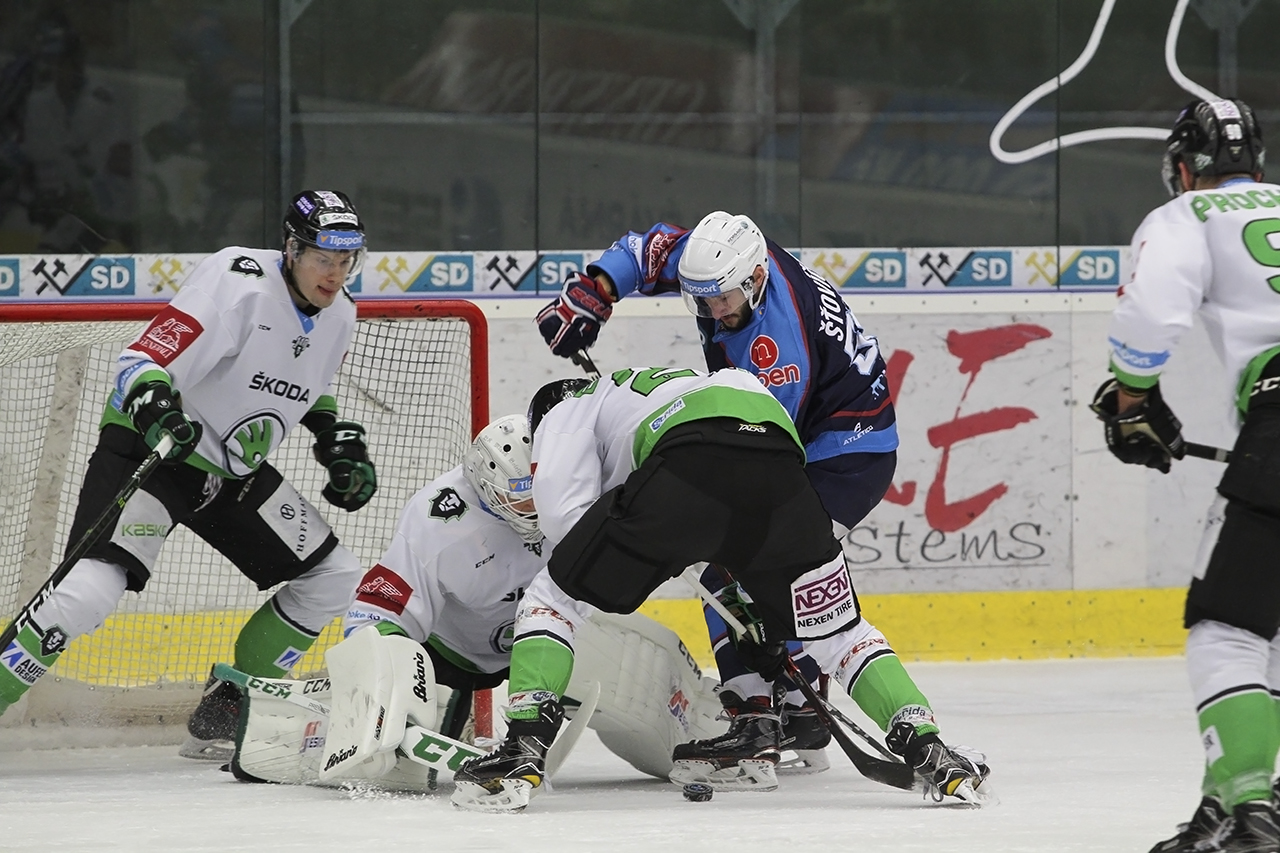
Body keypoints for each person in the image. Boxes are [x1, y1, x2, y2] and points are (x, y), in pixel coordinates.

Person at [450, 369, 991, 813]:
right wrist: (760, 605)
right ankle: (929, 746)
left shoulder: (564, 409)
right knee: (841, 634)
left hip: (688, 463)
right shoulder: (679, 383)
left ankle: (523, 746)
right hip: (780, 468)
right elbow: (741, 497)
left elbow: (567, 521)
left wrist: (640, 554)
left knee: (553, 598)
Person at [533, 211, 916, 787]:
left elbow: (762, 463)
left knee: (741, 556)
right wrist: (597, 291)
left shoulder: (776, 348)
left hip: (844, 457)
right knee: (745, 563)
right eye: (703, 300)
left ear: (756, 278)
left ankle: (757, 718)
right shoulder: (727, 256)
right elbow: (648, 250)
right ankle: (799, 713)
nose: (715, 311)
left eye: (724, 300)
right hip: (831, 436)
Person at [0, 190, 378, 764]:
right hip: (156, 453)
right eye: (324, 258)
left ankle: (225, 711)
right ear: (292, 249)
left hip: (232, 471)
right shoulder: (237, 282)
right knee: (86, 595)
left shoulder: (341, 313)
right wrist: (158, 408)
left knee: (335, 578)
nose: (336, 273)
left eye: (346, 259)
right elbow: (140, 361)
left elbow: (311, 383)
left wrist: (333, 440)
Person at [227, 414, 722, 789]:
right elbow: (377, 610)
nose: (535, 510)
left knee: (640, 687)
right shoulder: (437, 521)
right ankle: (288, 717)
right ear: (485, 486)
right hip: (454, 656)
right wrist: (382, 685)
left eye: (539, 492)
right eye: (520, 498)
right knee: (397, 764)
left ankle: (704, 728)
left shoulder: (573, 480)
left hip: (560, 636)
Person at [1090, 98, 1280, 853]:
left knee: (1227, 626)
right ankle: (1230, 800)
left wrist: (1131, 399)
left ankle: (1250, 809)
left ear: (1182, 167)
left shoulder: (1189, 214)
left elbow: (1149, 315)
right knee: (1272, 620)